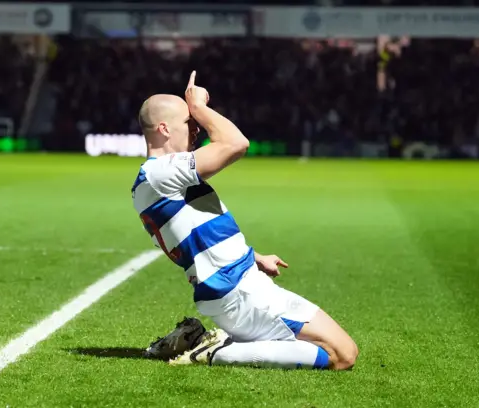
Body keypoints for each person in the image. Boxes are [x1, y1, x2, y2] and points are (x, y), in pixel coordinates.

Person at [131, 71, 358, 370]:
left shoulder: (157, 179)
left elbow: (198, 233)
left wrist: (254, 257)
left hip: (238, 283)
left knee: (334, 349)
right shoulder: (159, 172)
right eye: (190, 122)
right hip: (238, 291)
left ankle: (205, 340)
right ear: (163, 128)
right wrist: (199, 105)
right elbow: (235, 143)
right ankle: (212, 350)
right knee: (341, 355)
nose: (198, 128)